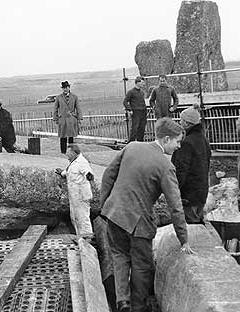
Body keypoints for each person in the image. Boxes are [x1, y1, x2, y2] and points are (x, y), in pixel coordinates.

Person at [100, 118, 194, 312]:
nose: (178, 146)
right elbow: (175, 206)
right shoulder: (165, 166)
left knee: (119, 257)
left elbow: (108, 174)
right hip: (138, 224)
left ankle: (122, 300)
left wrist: (106, 207)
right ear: (166, 139)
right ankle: (138, 307)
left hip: (114, 215)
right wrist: (183, 239)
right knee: (142, 266)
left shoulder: (132, 147)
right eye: (177, 141)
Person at [172, 106, 211, 224]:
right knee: (198, 222)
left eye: (181, 120)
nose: (180, 122)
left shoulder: (187, 143)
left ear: (187, 123)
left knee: (191, 227)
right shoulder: (203, 140)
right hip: (201, 192)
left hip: (189, 194)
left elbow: (180, 170)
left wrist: (174, 190)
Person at [55, 144, 94, 236]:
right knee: (75, 218)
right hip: (74, 197)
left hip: (81, 196)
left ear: (73, 153)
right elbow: (69, 172)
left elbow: (88, 173)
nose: (66, 155)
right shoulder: (73, 162)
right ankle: (80, 238)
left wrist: (89, 177)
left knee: (83, 219)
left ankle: (88, 240)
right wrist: (62, 173)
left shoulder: (82, 162)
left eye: (68, 153)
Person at [53, 81, 82, 154]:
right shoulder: (58, 97)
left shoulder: (74, 97)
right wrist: (56, 118)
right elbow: (55, 108)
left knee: (71, 136)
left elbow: (78, 107)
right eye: (63, 88)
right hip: (62, 119)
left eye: (66, 87)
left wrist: (79, 118)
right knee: (63, 136)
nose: (65, 89)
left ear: (69, 87)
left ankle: (71, 152)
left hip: (71, 119)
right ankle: (63, 152)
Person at [123, 76, 147, 142]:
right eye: (142, 82)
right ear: (137, 82)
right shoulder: (131, 92)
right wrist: (129, 110)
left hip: (143, 112)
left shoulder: (142, 92)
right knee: (135, 129)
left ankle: (140, 143)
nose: (143, 84)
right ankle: (131, 144)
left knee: (142, 129)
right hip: (136, 112)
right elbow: (125, 102)